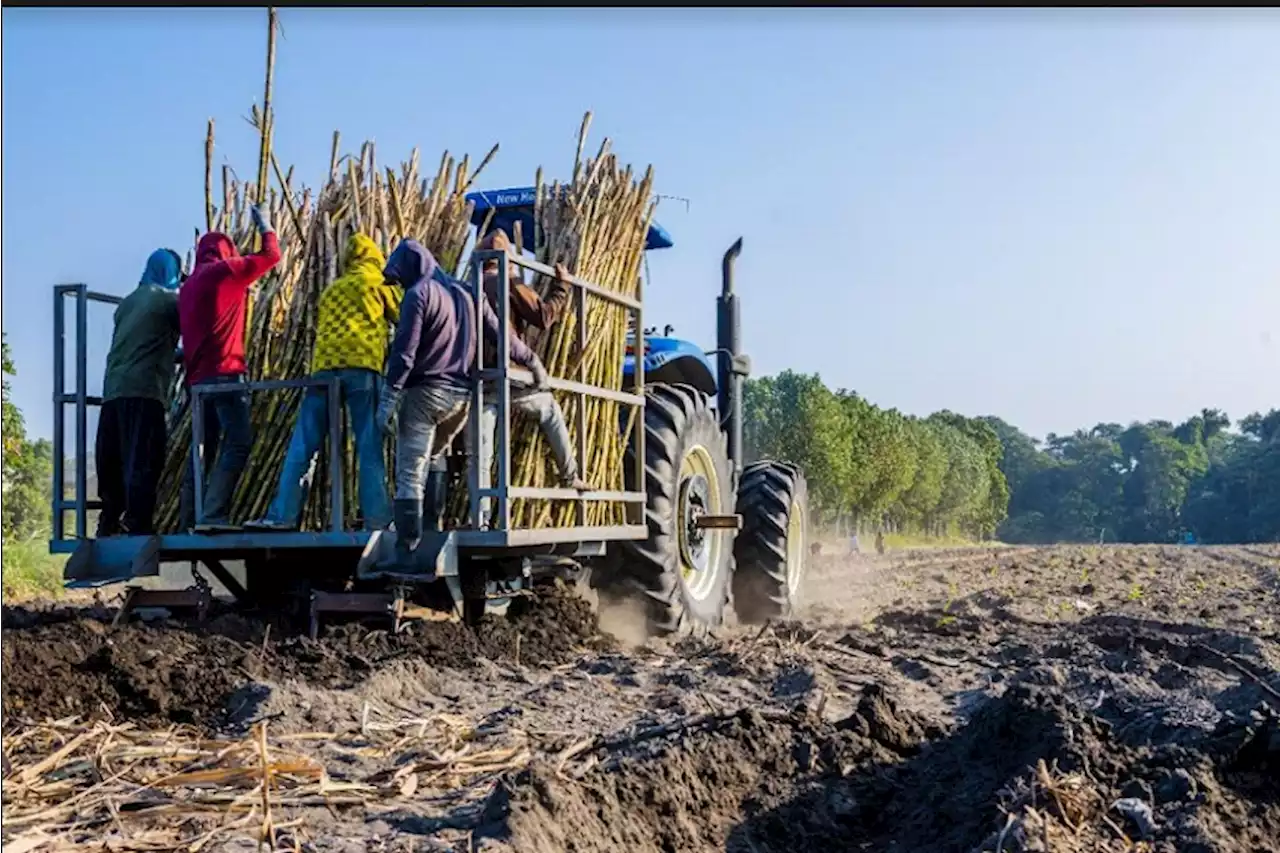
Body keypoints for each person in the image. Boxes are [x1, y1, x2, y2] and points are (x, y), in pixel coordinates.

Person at [375, 238, 545, 574]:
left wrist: (388, 397)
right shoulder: (468, 292)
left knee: (410, 469)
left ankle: (407, 547)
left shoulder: (419, 294)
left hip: (425, 394)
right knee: (435, 457)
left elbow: (405, 354)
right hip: (461, 398)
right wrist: (532, 360)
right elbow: (501, 334)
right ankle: (432, 529)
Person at [248, 233, 400, 531]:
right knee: (368, 445)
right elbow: (403, 316)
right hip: (361, 369)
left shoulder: (333, 289)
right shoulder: (379, 283)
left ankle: (283, 514)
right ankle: (378, 518)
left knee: (304, 443)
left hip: (323, 370)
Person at [469, 229, 589, 528]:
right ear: (506, 260)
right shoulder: (507, 282)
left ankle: (481, 520)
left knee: (481, 453)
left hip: (477, 379)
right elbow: (543, 316)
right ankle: (570, 476)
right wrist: (562, 287)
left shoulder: (466, 286)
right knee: (549, 409)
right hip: (512, 375)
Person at [178, 204, 281, 531]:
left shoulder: (188, 287)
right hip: (226, 376)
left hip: (197, 383)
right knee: (238, 442)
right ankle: (212, 516)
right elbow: (271, 256)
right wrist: (265, 224)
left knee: (200, 450)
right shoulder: (225, 273)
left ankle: (188, 518)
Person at [94, 249, 184, 536]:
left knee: (113, 460)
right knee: (144, 458)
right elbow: (197, 332)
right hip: (145, 390)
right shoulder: (170, 303)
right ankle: (137, 522)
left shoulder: (128, 303)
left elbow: (144, 341)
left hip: (113, 391)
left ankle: (108, 521)